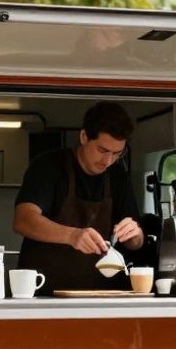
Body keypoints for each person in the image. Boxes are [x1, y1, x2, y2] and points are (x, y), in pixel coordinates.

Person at [13, 102, 145, 294]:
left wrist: (135, 233)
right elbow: (23, 220)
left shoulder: (118, 177)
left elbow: (136, 243)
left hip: (102, 297)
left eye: (117, 153)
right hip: (46, 295)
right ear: (84, 137)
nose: (108, 161)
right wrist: (72, 236)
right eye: (102, 150)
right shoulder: (48, 167)